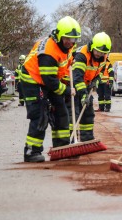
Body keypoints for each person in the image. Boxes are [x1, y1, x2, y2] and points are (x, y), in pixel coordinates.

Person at [20, 16, 80, 162]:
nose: (70, 42)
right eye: (67, 39)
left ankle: (62, 148)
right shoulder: (48, 52)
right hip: (33, 81)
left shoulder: (68, 48)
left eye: (73, 39)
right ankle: (31, 152)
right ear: (59, 35)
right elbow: (50, 81)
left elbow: (63, 69)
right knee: (40, 115)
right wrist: (66, 91)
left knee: (61, 112)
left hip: (49, 80)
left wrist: (67, 83)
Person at [71, 32, 111, 141]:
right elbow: (77, 77)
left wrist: (96, 81)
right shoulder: (82, 56)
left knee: (88, 114)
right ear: (92, 47)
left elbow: (101, 72)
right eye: (97, 51)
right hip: (72, 86)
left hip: (87, 85)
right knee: (73, 114)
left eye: (102, 53)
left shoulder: (103, 57)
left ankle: (87, 139)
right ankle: (68, 142)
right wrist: (83, 95)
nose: (99, 54)